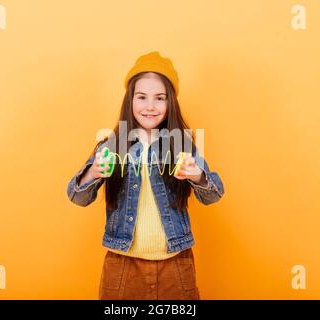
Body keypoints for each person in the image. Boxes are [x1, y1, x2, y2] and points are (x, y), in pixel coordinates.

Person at [67, 51, 225, 299]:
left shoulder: (181, 144)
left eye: (159, 98)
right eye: (142, 97)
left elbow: (213, 195)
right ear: (130, 101)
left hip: (176, 265)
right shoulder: (113, 145)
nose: (150, 106)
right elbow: (77, 197)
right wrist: (93, 172)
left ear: (170, 103)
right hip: (122, 266)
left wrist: (197, 175)